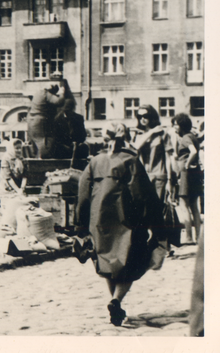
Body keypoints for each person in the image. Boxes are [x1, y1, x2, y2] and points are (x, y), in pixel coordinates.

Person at [76, 122, 167, 327]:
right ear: (125, 137)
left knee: (107, 262)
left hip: (98, 219)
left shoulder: (94, 161)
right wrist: (151, 222)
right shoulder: (130, 160)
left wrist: (80, 224)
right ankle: (116, 300)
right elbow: (141, 194)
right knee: (130, 263)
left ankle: (114, 301)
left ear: (104, 137)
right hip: (126, 218)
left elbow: (83, 193)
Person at [172, 113, 203, 244]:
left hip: (186, 174)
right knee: (194, 206)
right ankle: (199, 237)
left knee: (184, 205)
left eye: (175, 125)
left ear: (181, 126)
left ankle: (189, 237)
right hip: (195, 173)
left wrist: (186, 164)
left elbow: (193, 152)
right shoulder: (193, 136)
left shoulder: (185, 138)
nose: (174, 128)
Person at [132, 105, 172, 202]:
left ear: (152, 116)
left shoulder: (163, 133)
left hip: (159, 175)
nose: (142, 119)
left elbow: (168, 158)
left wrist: (170, 180)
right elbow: (135, 147)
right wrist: (151, 132)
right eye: (139, 116)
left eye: (145, 116)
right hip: (142, 176)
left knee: (158, 208)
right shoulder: (138, 134)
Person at [26, 75, 67, 159]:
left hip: (31, 120)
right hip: (40, 121)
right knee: (45, 141)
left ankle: (37, 157)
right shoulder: (46, 94)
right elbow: (59, 101)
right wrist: (62, 93)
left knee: (36, 141)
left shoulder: (38, 93)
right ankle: (43, 159)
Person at [0, 138, 32, 236]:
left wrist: (22, 189)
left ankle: (20, 233)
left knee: (21, 210)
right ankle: (8, 233)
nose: (18, 150)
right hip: (7, 189)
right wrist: (17, 190)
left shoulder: (22, 160)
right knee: (8, 212)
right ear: (11, 148)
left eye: (20, 148)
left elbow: (25, 176)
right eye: (16, 148)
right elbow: (8, 178)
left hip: (19, 189)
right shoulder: (6, 159)